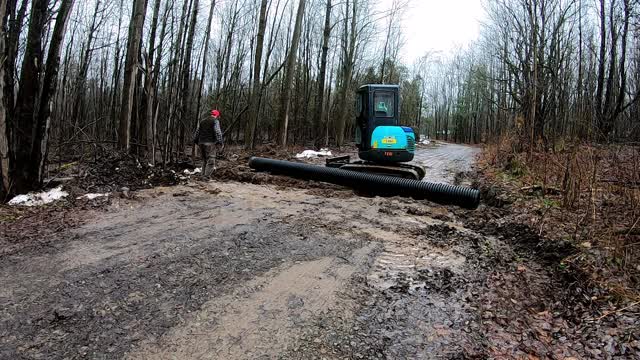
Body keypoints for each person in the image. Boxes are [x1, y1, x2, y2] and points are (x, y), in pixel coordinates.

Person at [192, 109, 224, 176]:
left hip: (201, 143)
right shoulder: (215, 121)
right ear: (217, 115)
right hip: (210, 143)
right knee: (211, 161)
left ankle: (202, 175)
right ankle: (206, 177)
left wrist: (196, 141)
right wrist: (220, 142)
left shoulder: (202, 121)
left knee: (204, 160)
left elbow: (197, 132)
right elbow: (217, 132)